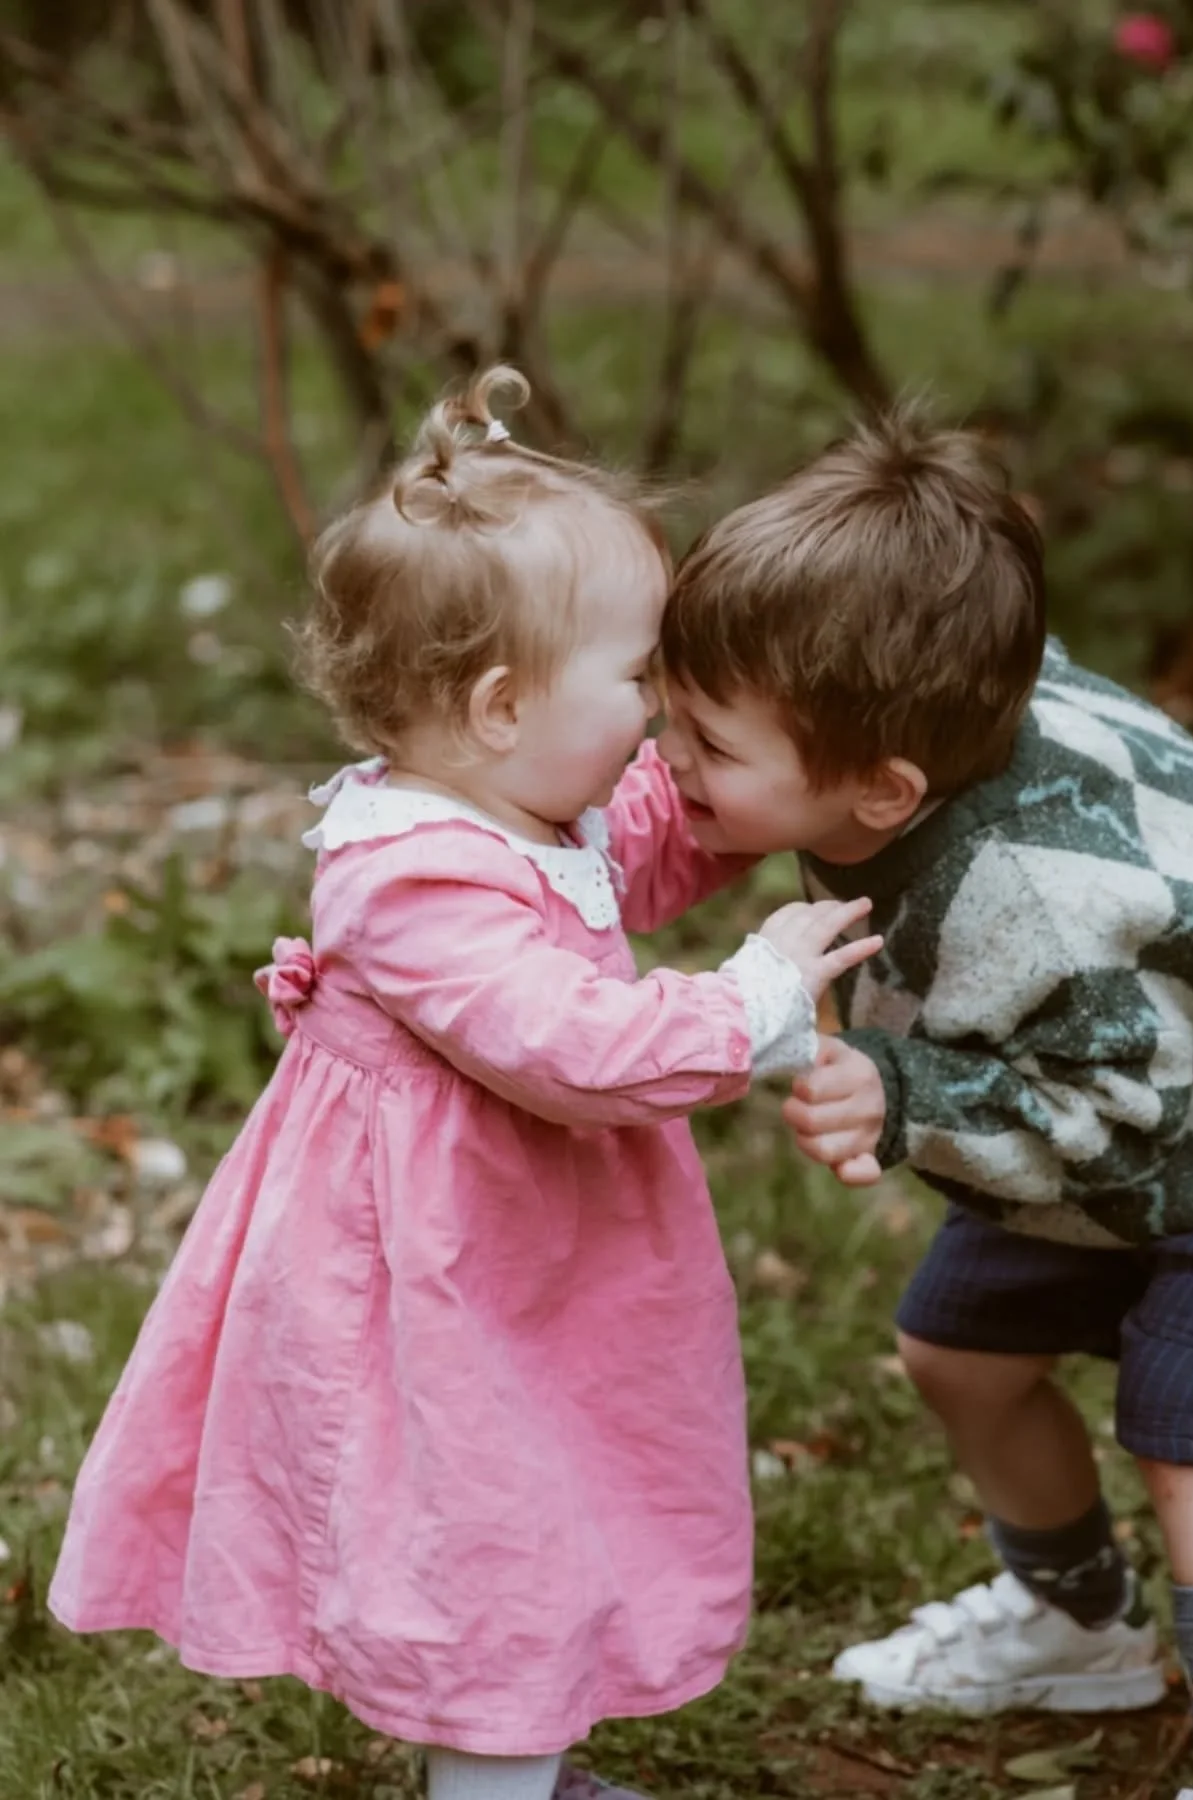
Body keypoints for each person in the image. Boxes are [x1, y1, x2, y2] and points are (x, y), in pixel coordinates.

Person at [48, 369, 882, 1800]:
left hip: (517, 1258)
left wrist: (766, 783)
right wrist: (751, 998)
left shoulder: (519, 804)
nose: (661, 709)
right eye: (639, 679)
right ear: (502, 705)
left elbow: (645, 846)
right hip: (436, 1285)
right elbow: (576, 1045)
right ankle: (493, 1781)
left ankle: (524, 1768)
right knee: (484, 1527)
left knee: (544, 1503)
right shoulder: (413, 875)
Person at [655, 407, 1193, 1800]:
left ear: (883, 789)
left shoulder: (1024, 892)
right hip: (1153, 1063)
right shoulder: (925, 732)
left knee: (1192, 1429)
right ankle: (1080, 1628)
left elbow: (1109, 1111)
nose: (671, 762)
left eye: (705, 745)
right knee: (956, 1349)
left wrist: (897, 1093)